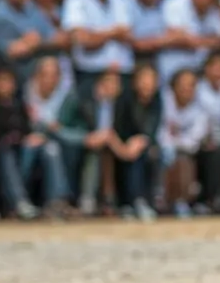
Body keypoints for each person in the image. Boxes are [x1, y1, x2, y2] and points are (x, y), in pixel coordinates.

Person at [62, 0, 134, 99]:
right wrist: (113, 32)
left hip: (121, 71)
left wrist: (96, 34)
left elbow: (127, 35)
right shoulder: (75, 1)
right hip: (89, 72)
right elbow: (83, 40)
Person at [58, 69, 123, 217]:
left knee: (101, 151)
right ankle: (83, 199)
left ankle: (105, 201)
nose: (118, 88)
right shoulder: (78, 97)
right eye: (113, 83)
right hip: (71, 142)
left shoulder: (114, 103)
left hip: (100, 145)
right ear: (101, 84)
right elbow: (58, 128)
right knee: (94, 151)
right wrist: (84, 138)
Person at [21, 56, 72, 215]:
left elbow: (63, 127)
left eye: (53, 75)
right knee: (29, 148)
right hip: (24, 139)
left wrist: (46, 134)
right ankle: (20, 201)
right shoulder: (25, 93)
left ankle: (56, 202)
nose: (49, 79)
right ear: (36, 76)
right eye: (45, 74)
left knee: (52, 150)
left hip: (53, 141)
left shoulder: (66, 97)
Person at [0, 66, 40, 220]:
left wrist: (30, 137)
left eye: (8, 81)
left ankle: (56, 201)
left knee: (42, 149)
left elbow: (27, 129)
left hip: (21, 147)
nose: (5, 86)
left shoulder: (19, 105)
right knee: (6, 153)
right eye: (1, 82)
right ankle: (19, 201)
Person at [113, 64, 163, 221]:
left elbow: (153, 127)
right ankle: (128, 202)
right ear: (135, 82)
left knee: (151, 154)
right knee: (132, 156)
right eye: (144, 80)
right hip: (120, 142)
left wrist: (142, 141)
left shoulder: (158, 100)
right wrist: (125, 146)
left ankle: (147, 199)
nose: (147, 85)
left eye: (151, 81)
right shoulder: (124, 98)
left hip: (145, 142)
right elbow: (117, 126)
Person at [158, 68, 208, 218]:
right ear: (174, 86)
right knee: (165, 155)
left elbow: (193, 141)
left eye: (191, 85)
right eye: (183, 84)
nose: (187, 89)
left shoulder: (201, 107)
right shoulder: (163, 102)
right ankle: (160, 198)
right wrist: (173, 143)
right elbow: (160, 133)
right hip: (162, 148)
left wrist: (176, 142)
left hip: (185, 151)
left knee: (183, 159)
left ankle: (183, 201)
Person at [195, 54, 220, 214]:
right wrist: (206, 137)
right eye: (216, 68)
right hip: (201, 136)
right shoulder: (198, 89)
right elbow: (198, 117)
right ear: (207, 69)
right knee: (215, 154)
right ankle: (210, 198)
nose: (219, 72)